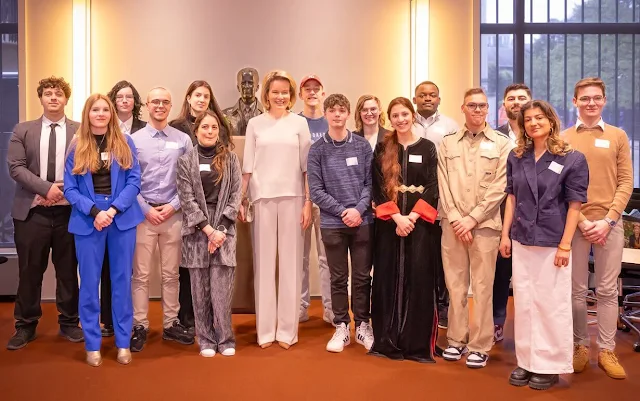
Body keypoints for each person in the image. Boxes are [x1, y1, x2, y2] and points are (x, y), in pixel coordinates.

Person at [500, 100, 588, 390]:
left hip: (553, 242)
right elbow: (512, 198)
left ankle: (548, 365)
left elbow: (575, 205)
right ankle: (526, 360)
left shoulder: (572, 158)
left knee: (551, 304)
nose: (533, 123)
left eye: (539, 117)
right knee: (525, 303)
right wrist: (505, 235)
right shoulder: (517, 156)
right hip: (523, 239)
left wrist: (565, 245)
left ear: (551, 120)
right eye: (528, 119)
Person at [63, 94, 144, 367]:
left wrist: (113, 209)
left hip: (120, 217)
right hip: (88, 220)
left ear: (111, 114)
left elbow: (134, 181)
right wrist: (95, 212)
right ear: (87, 114)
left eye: (104, 110)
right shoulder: (77, 146)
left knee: (122, 282)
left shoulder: (125, 142)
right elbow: (70, 188)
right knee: (88, 285)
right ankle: (92, 344)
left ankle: (123, 342)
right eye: (95, 109)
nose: (100, 114)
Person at [563, 77, 633, 380]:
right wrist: (582, 221)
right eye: (585, 98)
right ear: (574, 102)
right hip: (575, 223)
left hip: (609, 224)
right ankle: (580, 346)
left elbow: (625, 181)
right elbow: (561, 186)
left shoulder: (618, 136)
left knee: (606, 290)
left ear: (604, 101)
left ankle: (606, 349)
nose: (591, 103)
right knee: (576, 290)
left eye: (596, 98)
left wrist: (608, 220)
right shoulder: (563, 138)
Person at [6, 76, 83, 350]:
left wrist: (61, 191)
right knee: (30, 271)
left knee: (67, 271)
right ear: (40, 98)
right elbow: (16, 167)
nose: (53, 97)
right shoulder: (23, 130)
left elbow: (87, 166)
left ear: (66, 99)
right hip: (32, 212)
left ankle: (70, 323)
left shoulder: (81, 131)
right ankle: (25, 326)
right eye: (48, 93)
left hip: (70, 213)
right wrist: (46, 188)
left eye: (58, 93)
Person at [438, 87, 512, 368]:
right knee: (455, 286)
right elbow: (442, 183)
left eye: (482, 106)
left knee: (483, 287)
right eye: (472, 106)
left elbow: (501, 186)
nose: (478, 110)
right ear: (463, 108)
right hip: (452, 226)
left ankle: (480, 344)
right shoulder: (448, 144)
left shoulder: (502, 143)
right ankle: (456, 340)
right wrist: (458, 218)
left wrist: (473, 218)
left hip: (485, 227)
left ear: (488, 109)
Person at [240, 70, 312, 349]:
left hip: (294, 197)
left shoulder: (299, 124)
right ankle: (266, 331)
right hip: (263, 197)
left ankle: (287, 331)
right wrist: (242, 199)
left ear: (291, 95)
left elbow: (307, 168)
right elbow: (247, 166)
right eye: (275, 92)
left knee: (291, 265)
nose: (280, 96)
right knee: (264, 264)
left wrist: (308, 201)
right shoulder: (256, 124)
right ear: (266, 94)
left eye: (285, 92)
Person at [369, 97, 439, 362]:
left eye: (404, 114)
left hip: (420, 226)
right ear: (390, 119)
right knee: (387, 277)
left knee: (419, 277)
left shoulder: (428, 148)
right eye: (395, 115)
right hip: (389, 225)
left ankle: (416, 343)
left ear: (412, 115)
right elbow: (376, 186)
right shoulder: (382, 149)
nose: (400, 119)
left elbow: (434, 185)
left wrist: (413, 217)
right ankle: (387, 339)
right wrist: (397, 217)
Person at [307, 94, 374, 353]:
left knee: (361, 277)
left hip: (362, 221)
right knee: (337, 278)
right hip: (332, 224)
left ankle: (362, 325)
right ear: (326, 114)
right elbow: (316, 190)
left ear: (348, 114)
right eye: (332, 110)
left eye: (341, 110)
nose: (337, 115)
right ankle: (342, 326)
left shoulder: (361, 146)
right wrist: (342, 211)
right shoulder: (317, 150)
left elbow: (370, 184)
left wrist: (357, 210)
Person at [130, 87, 194, 352]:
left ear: (171, 106)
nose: (160, 106)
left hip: (173, 215)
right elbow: (127, 180)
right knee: (141, 275)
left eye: (165, 102)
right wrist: (146, 208)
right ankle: (139, 325)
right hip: (142, 215)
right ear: (147, 105)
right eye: (155, 101)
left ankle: (170, 324)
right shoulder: (132, 140)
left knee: (171, 275)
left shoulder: (182, 140)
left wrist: (173, 205)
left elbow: (190, 180)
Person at [176, 110, 242, 358]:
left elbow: (236, 195)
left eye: (214, 127)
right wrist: (207, 230)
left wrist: (220, 230)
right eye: (205, 127)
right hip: (197, 232)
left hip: (225, 230)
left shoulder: (231, 159)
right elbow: (187, 199)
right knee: (199, 290)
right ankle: (204, 339)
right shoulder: (185, 161)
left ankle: (225, 339)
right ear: (196, 131)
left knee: (221, 291)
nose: (210, 131)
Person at [170, 80, 233, 335]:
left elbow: (230, 177)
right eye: (197, 94)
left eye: (206, 95)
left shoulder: (223, 128)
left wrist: (218, 227)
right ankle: (189, 318)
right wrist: (204, 225)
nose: (201, 99)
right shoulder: (176, 128)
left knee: (218, 277)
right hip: (188, 212)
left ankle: (219, 327)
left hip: (219, 217)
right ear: (188, 98)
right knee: (190, 273)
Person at [99, 80, 146, 337]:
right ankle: (108, 319)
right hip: (103, 211)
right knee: (107, 268)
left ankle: (129, 324)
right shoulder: (100, 130)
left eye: (130, 96)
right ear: (113, 101)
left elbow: (135, 175)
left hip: (130, 208)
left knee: (128, 271)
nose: (125, 100)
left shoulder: (143, 129)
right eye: (120, 96)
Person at [412, 80, 460, 329]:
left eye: (432, 95)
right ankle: (418, 304)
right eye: (422, 95)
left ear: (439, 99)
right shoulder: (406, 122)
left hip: (442, 199)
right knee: (418, 254)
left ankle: (443, 306)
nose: (427, 98)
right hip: (411, 202)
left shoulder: (450, 126)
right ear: (414, 99)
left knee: (443, 258)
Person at [492, 83, 531, 343]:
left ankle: (530, 327)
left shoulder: (539, 134)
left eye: (521, 98)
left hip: (531, 216)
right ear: (504, 105)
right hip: (500, 213)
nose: (515, 102)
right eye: (511, 99)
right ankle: (497, 322)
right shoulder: (493, 136)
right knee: (500, 273)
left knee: (529, 276)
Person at [298, 74, 333, 324]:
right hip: (299, 197)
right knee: (299, 257)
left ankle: (331, 309)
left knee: (327, 258)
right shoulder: (293, 123)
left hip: (327, 199)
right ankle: (300, 307)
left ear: (323, 93)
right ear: (300, 95)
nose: (312, 93)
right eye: (307, 89)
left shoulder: (331, 122)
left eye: (316, 89)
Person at [223, 67, 264, 136]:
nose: (247, 86)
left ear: (257, 87)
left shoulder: (267, 115)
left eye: (250, 83)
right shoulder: (225, 115)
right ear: (238, 87)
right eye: (243, 83)